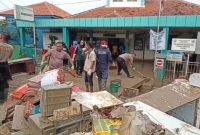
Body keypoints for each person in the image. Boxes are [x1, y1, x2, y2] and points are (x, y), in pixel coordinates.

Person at [0, 34, 13, 103]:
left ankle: (1, 98)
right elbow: (10, 57)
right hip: (5, 65)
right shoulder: (11, 47)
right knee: (5, 82)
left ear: (1, 37)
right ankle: (4, 99)